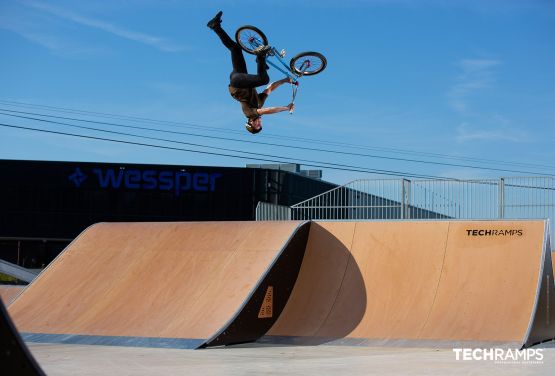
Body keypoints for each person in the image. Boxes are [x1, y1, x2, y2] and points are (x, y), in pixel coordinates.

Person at [207, 11, 294, 134]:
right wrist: (284, 81)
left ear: (250, 123)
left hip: (237, 83)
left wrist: (286, 108)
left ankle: (260, 56)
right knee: (235, 48)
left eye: (256, 125)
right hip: (241, 78)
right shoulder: (259, 103)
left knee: (263, 79)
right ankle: (215, 26)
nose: (259, 122)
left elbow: (267, 110)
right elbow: (269, 89)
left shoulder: (248, 113)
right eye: (260, 125)